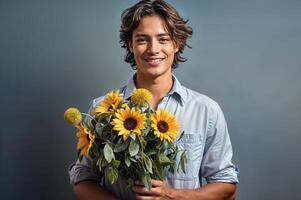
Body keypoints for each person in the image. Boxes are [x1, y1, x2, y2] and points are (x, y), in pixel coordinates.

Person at [68, 0, 239, 199]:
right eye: (142, 40)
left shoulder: (206, 110)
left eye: (163, 39)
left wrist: (172, 195)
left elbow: (227, 186)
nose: (153, 49)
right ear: (130, 45)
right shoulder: (101, 109)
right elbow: (83, 179)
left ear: (177, 44)